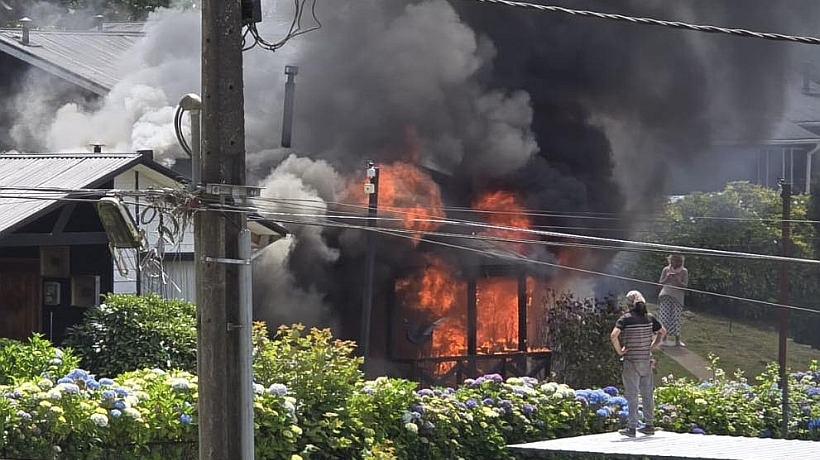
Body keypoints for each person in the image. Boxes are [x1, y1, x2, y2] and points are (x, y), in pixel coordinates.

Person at [611, 290, 666, 437]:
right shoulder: (649, 317)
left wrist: (620, 351)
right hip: (646, 360)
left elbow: (614, 335)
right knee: (647, 394)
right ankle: (649, 425)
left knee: (632, 395)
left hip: (631, 361)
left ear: (629, 304)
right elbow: (662, 332)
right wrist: (652, 346)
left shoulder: (626, 318)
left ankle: (631, 427)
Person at [658, 254, 689, 346]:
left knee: (677, 318)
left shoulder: (684, 271)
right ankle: (663, 339)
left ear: (679, 261)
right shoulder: (666, 269)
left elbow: (685, 286)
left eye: (675, 260)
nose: (672, 262)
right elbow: (660, 282)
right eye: (671, 260)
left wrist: (678, 280)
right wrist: (667, 278)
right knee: (664, 317)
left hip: (678, 297)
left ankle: (677, 341)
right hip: (665, 295)